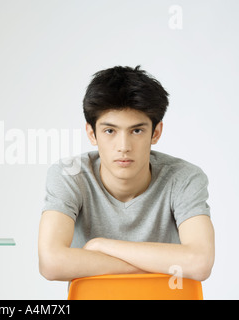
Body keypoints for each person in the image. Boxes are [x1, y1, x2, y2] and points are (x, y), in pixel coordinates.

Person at [38, 65, 215, 282]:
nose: (123, 146)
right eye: (110, 131)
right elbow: (51, 263)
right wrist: (158, 266)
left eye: (137, 131)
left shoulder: (184, 178)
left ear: (156, 133)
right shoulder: (70, 175)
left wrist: (102, 246)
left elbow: (199, 263)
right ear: (92, 134)